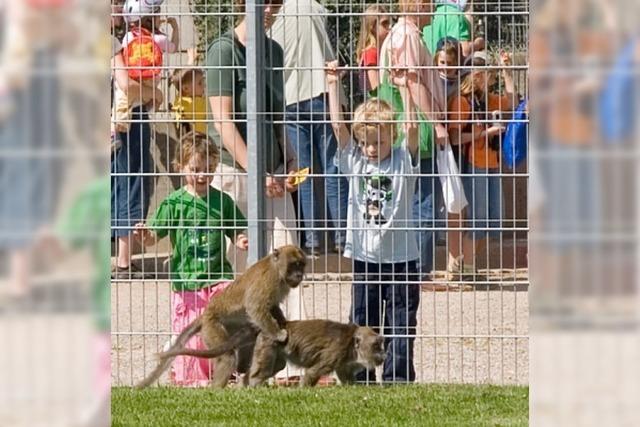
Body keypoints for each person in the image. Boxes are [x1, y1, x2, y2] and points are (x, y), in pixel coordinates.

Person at [205, 0, 305, 382]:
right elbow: (222, 120)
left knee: (289, 265)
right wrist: (255, 171)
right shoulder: (223, 50)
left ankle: (286, 363)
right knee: (239, 274)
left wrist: (290, 158)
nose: (268, 9)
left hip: (275, 174)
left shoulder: (274, 52)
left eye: (275, 3)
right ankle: (236, 364)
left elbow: (278, 114)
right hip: (237, 174)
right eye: (262, 2)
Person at [327, 61, 421, 383]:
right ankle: (360, 377)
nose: (369, 149)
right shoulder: (354, 160)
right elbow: (339, 129)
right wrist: (332, 84)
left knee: (401, 322)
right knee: (362, 322)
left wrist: (405, 87)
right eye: (365, 142)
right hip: (366, 258)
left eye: (378, 142)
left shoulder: (402, 161)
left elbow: (411, 128)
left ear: (390, 138)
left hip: (401, 258)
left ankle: (397, 379)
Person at [133, 133, 248, 386]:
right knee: (192, 334)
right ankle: (190, 376)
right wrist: (145, 236)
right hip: (187, 282)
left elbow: (237, 227)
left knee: (220, 330)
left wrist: (240, 239)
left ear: (216, 167)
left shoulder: (222, 201)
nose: (201, 176)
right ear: (180, 167)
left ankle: (222, 371)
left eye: (208, 170)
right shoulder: (173, 203)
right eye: (195, 169)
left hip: (218, 277)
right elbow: (154, 235)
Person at [270, 0, 348, 256]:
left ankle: (312, 242)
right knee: (332, 168)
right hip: (321, 92)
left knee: (302, 172)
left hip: (291, 96)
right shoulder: (315, 8)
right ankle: (343, 237)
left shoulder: (276, 12)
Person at [379, 0, 449, 285]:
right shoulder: (406, 35)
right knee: (424, 204)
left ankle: (412, 269)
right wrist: (436, 123)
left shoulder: (403, 33)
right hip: (414, 132)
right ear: (416, 3)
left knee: (412, 202)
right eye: (429, 1)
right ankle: (419, 270)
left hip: (403, 129)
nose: (433, 6)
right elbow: (412, 82)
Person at [447, 50, 515, 276]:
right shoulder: (462, 101)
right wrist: (484, 133)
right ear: (476, 75)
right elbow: (455, 137)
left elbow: (512, 100)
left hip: (492, 162)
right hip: (473, 163)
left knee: (494, 220)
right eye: (489, 73)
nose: (492, 78)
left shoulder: (486, 99)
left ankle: (466, 264)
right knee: (478, 218)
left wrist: (506, 70)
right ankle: (465, 267)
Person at [111, 9, 164, 280]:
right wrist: (155, 92)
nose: (119, 11)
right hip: (126, 118)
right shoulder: (109, 41)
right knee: (132, 182)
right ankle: (123, 261)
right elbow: (125, 83)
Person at [112, 0, 178, 146]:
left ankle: (115, 131)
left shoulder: (128, 37)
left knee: (122, 99)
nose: (160, 19)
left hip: (131, 79)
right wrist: (175, 28)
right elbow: (174, 48)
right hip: (149, 81)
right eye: (157, 15)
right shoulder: (159, 39)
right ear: (149, 19)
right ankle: (149, 106)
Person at [356, 4, 391, 93]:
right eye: (384, 23)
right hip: (377, 103)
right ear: (372, 27)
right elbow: (375, 88)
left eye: (389, 22)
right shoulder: (371, 52)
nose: (389, 27)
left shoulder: (376, 50)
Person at [171, 67, 207, 135]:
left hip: (189, 137)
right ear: (186, 88)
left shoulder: (180, 100)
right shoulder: (196, 102)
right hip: (201, 136)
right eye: (200, 83)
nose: (204, 85)